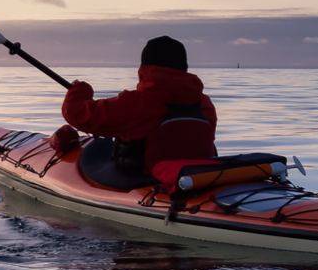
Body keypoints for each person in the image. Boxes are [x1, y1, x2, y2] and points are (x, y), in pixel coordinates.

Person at [61, 36, 217, 177]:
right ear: (184, 66)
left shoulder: (133, 103)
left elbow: (76, 113)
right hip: (195, 180)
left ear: (144, 67)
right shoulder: (205, 104)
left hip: (143, 181)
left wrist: (79, 88)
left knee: (97, 148)